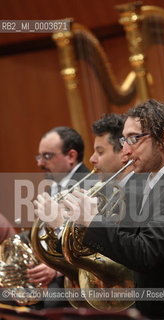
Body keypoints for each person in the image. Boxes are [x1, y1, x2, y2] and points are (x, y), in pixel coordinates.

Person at [59, 100, 164, 319]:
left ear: (163, 138)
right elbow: (127, 243)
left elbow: (145, 254)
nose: (126, 149)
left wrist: (94, 221)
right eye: (124, 140)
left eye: (134, 139)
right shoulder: (149, 184)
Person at [29, 126, 89, 308]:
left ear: (71, 156)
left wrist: (56, 268)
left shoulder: (89, 185)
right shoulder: (52, 187)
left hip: (75, 276)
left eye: (47, 156)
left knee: (51, 304)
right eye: (39, 157)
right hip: (50, 273)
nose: (40, 164)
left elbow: (89, 241)